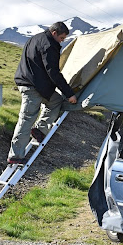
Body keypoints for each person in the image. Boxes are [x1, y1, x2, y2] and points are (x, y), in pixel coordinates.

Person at [7, 22, 77, 164]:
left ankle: (40, 130)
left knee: (56, 101)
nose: (62, 42)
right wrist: (69, 93)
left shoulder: (35, 38)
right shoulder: (49, 45)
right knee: (26, 119)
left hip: (34, 84)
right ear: (54, 33)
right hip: (33, 87)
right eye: (62, 38)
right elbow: (53, 72)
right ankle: (15, 155)